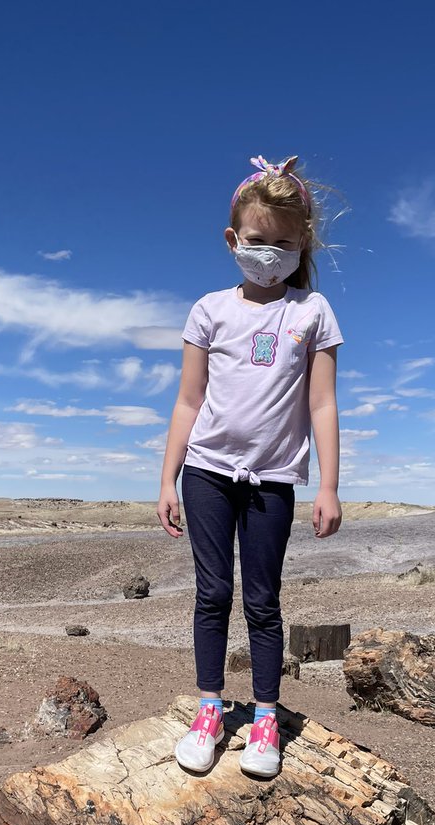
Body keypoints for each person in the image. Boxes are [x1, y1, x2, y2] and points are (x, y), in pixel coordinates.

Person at [157, 154, 343, 778]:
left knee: (263, 600)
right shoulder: (210, 309)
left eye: (283, 243)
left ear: (302, 243)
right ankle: (210, 711)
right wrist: (167, 479)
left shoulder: (311, 313)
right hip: (207, 471)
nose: (270, 253)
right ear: (234, 240)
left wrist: (330, 487)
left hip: (274, 481)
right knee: (212, 594)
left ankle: (266, 718)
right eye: (258, 242)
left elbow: (321, 402)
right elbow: (189, 400)